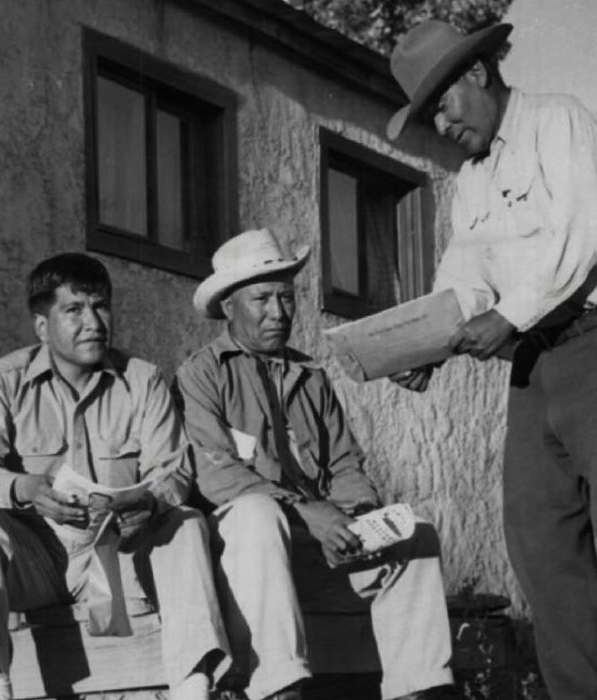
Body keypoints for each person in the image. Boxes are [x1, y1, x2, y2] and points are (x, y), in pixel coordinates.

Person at [385, 20, 597, 700]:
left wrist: (505, 316)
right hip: (537, 366)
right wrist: (429, 346)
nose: (441, 124)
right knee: (539, 539)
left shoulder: (561, 123)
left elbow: (581, 241)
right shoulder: (471, 180)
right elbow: (462, 278)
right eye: (428, 114)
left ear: (477, 72)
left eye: (443, 102)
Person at [175, 228, 456, 700]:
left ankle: (422, 688)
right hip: (250, 553)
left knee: (416, 531)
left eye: (286, 298)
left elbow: (345, 463)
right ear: (228, 307)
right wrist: (310, 511)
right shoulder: (201, 374)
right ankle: (281, 685)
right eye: (262, 299)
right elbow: (217, 474)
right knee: (256, 513)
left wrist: (354, 516)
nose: (279, 313)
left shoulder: (311, 377)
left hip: (320, 542)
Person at [0, 252, 229, 700]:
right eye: (74, 310)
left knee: (186, 520)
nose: (93, 321)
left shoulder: (143, 380)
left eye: (101, 306)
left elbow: (172, 472)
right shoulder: (2, 379)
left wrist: (147, 503)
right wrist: (25, 487)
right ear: (41, 325)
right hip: (41, 559)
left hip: (118, 556)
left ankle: (193, 684)